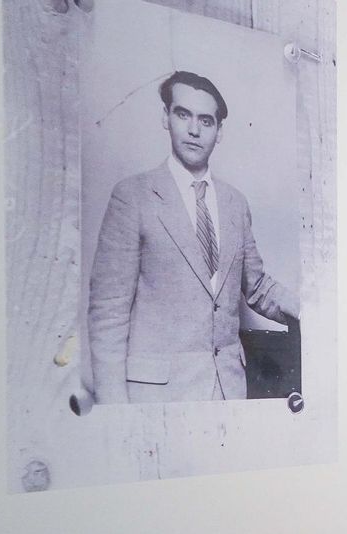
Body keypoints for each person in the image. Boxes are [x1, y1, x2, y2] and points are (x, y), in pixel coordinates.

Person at [87, 71, 297, 403]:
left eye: (206, 120)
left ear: (219, 132)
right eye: (183, 114)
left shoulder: (235, 203)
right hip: (158, 399)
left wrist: (314, 310)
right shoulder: (132, 196)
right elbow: (108, 312)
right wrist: (115, 413)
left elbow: (255, 286)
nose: (194, 130)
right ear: (165, 118)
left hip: (228, 391)